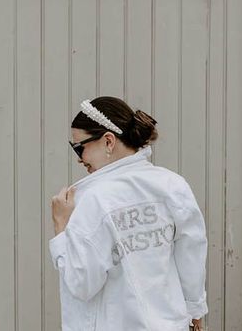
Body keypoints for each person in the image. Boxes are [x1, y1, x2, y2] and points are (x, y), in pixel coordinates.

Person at [50, 96, 207, 331]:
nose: (79, 158)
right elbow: (191, 257)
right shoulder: (172, 185)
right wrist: (195, 311)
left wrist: (61, 227)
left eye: (79, 147)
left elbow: (81, 283)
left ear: (109, 141)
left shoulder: (93, 198)